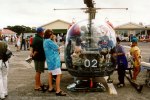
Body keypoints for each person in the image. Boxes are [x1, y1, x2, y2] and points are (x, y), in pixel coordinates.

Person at [43, 29, 66, 96]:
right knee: (58, 74)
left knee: (50, 73)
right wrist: (54, 40)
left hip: (49, 61)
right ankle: (58, 90)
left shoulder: (45, 41)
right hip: (54, 61)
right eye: (52, 34)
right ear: (50, 35)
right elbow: (57, 48)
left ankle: (50, 87)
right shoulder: (49, 41)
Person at [0, 31, 9, 99]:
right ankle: (5, 92)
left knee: (0, 78)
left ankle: (1, 94)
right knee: (4, 76)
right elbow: (8, 52)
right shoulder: (4, 43)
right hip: (5, 61)